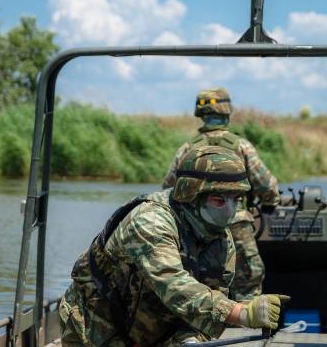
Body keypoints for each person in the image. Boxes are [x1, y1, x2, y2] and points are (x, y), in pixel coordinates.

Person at [59, 146, 287, 346]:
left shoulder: (220, 240)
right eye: (219, 200)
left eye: (236, 200)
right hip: (96, 328)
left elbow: (205, 306)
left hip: (151, 330)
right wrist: (241, 313)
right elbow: (173, 284)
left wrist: (189, 340)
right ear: (192, 194)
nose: (229, 211)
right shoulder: (151, 220)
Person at [162, 87, 280, 301]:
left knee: (198, 282)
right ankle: (247, 326)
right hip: (235, 223)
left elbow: (169, 188)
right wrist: (270, 202)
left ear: (201, 114)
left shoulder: (187, 148)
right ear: (227, 112)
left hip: (194, 229)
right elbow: (266, 186)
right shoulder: (242, 146)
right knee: (248, 279)